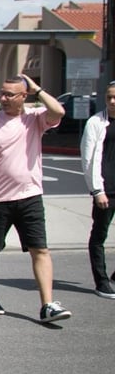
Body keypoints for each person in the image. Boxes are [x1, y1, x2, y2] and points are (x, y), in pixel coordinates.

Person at [0, 75, 71, 323]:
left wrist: (38, 89)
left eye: (9, 95)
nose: (3, 99)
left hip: (30, 196)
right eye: (1, 94)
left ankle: (47, 304)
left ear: (24, 96)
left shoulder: (35, 118)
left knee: (40, 249)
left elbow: (58, 111)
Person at [82, 82, 115, 298]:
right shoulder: (96, 123)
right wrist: (97, 190)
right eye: (109, 97)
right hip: (106, 189)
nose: (112, 102)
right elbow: (88, 159)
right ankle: (101, 281)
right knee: (99, 236)